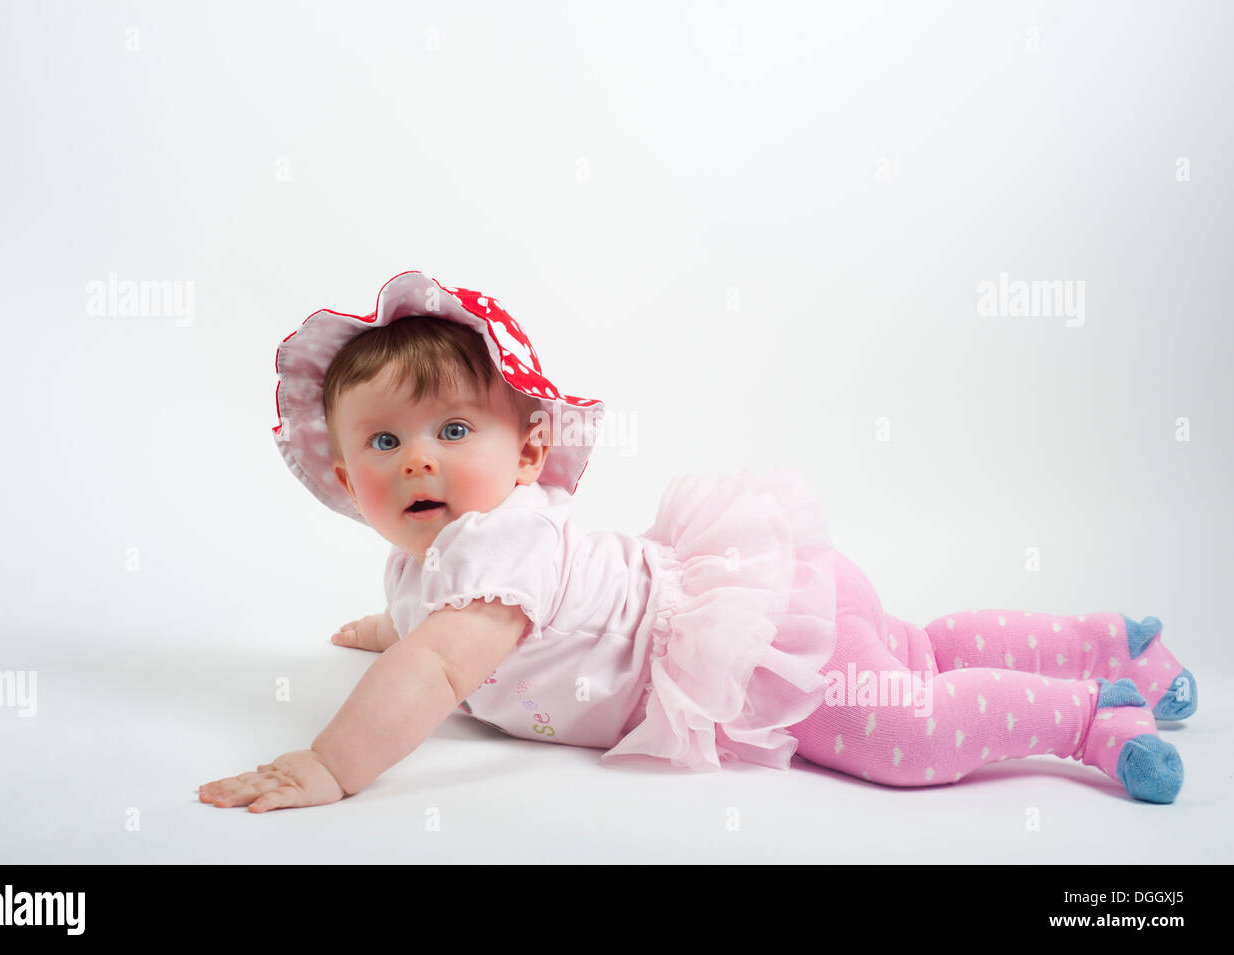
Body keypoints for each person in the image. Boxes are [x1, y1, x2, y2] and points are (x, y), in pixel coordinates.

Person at [198, 270, 1194, 813]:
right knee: (920, 649)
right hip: (775, 602)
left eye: (453, 430)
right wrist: (392, 625)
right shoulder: (431, 564)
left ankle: (1083, 718)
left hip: (748, 655)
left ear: (529, 448)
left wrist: (333, 763)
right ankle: (1114, 640)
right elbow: (432, 623)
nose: (417, 462)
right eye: (383, 441)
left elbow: (440, 661)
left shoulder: (499, 546)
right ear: (342, 475)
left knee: (909, 733)